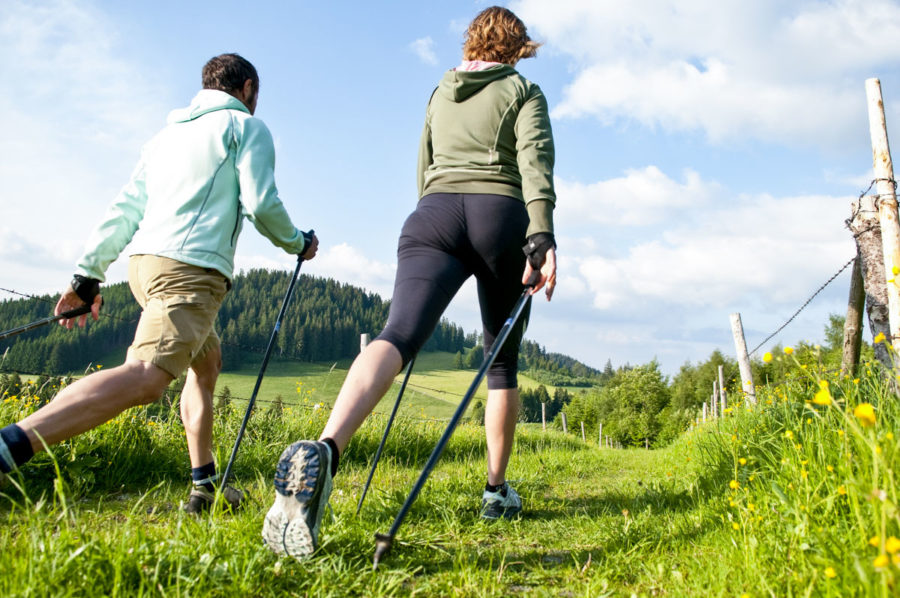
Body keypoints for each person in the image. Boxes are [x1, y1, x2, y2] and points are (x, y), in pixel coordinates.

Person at [262, 6, 556, 560]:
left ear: (472, 41)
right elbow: (536, 160)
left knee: (395, 335)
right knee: (501, 362)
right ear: (516, 46)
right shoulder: (523, 90)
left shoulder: (439, 92)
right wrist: (541, 235)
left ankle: (326, 448)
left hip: (433, 212)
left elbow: (423, 164)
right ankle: (495, 492)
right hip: (501, 213)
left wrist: (433, 214)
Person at [0, 53, 318, 513]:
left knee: (206, 366)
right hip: (190, 271)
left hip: (145, 266)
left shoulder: (166, 137)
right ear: (247, 88)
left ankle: (204, 486)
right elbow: (261, 202)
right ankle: (13, 443)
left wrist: (86, 276)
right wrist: (297, 242)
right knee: (147, 378)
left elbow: (125, 208)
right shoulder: (246, 127)